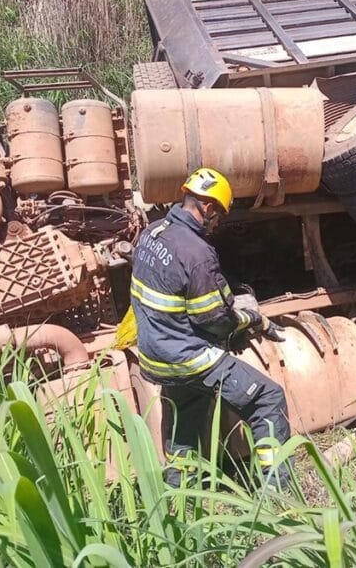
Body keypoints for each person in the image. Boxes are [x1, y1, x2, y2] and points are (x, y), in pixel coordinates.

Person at [130, 167, 291, 489]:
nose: (216, 224)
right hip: (188, 356)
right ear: (209, 208)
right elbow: (214, 320)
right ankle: (277, 490)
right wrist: (252, 319)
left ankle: (180, 492)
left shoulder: (153, 233)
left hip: (155, 354)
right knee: (267, 399)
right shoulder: (197, 253)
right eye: (218, 216)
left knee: (186, 414)